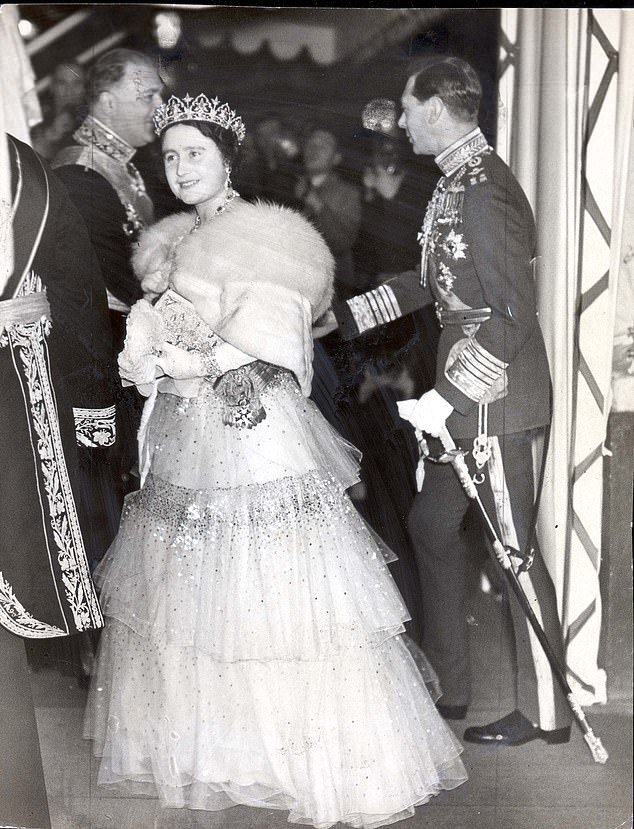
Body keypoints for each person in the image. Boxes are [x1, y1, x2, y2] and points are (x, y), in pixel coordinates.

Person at [84, 92, 467, 827]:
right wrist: (150, 361)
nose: (181, 166)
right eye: (170, 155)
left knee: (274, 595)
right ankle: (226, 752)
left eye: (196, 152)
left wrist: (188, 362)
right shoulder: (167, 240)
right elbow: (164, 331)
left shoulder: (266, 235)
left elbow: (281, 339)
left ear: (229, 159)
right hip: (186, 437)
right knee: (197, 598)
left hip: (253, 434)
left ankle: (300, 758)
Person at [333, 56, 573, 746]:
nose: (401, 123)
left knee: (515, 556)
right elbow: (433, 281)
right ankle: (451, 683)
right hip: (458, 396)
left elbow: (508, 314)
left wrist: (450, 398)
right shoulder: (455, 183)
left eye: (408, 110)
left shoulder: (482, 190)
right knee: (433, 526)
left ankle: (546, 713)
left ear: (436, 106)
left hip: (491, 396)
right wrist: (347, 316)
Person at [0, 133, 113, 829]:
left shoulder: (27, 173)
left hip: (13, 424)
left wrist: (91, 394)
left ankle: (14, 807)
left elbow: (74, 283)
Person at [51, 48, 164, 551]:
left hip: (125, 349)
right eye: (148, 95)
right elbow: (118, 279)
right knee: (106, 497)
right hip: (97, 366)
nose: (160, 105)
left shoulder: (125, 168)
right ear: (105, 101)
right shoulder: (81, 172)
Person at [295, 128, 362, 301]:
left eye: (323, 146)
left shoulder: (347, 193)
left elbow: (343, 241)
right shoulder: (289, 187)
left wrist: (318, 206)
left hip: (333, 290)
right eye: (310, 144)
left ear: (336, 158)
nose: (313, 150)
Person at [31, 60, 86, 160]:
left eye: (76, 83)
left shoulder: (93, 118)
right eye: (62, 83)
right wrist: (52, 133)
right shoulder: (37, 119)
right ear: (52, 87)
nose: (69, 90)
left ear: (84, 87)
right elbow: (26, 160)